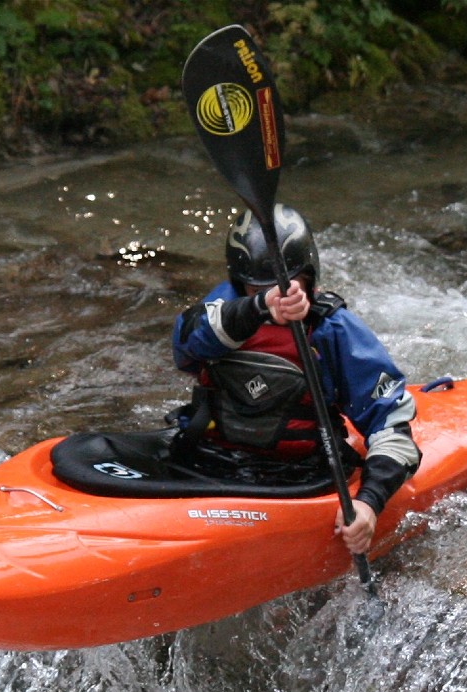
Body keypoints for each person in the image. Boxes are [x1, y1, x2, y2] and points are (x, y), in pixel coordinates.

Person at [170, 203, 421, 557]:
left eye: (289, 282)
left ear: (309, 276)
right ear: (240, 283)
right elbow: (185, 345)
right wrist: (257, 307)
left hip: (298, 474)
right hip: (211, 460)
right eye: (258, 285)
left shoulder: (333, 331)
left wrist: (369, 503)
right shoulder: (222, 313)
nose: (278, 293)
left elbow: (391, 424)